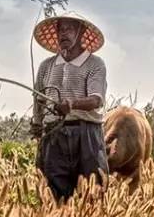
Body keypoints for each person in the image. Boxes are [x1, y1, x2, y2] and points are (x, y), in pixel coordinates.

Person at [29, 12, 109, 201]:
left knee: (92, 193)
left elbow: (97, 99)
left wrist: (71, 105)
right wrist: (37, 125)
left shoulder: (95, 64)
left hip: (86, 134)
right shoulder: (46, 66)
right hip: (54, 135)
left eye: (69, 29)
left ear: (81, 33)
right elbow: (38, 100)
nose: (63, 34)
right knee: (53, 193)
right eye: (60, 30)